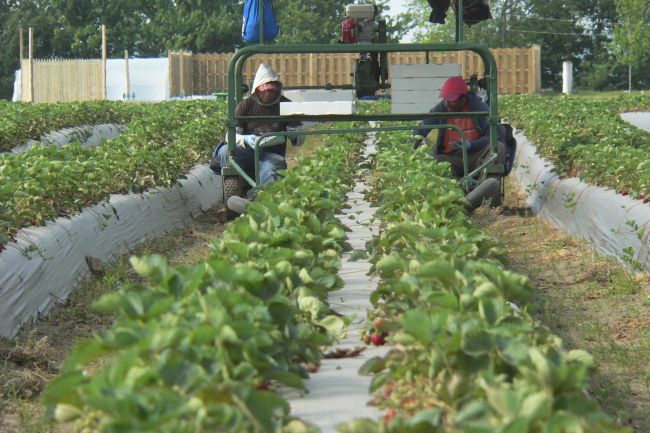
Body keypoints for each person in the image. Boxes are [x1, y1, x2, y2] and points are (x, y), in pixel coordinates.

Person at [212, 63, 302, 185]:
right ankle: (241, 186)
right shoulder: (245, 106)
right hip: (248, 151)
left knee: (269, 172)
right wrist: (246, 140)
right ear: (257, 89)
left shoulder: (287, 105)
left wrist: (294, 134)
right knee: (224, 151)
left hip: (272, 154)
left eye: (271, 90)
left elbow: (300, 139)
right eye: (264, 90)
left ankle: (263, 197)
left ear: (277, 89)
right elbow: (230, 136)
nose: (268, 94)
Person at [413, 75, 504, 178]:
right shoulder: (442, 108)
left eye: (451, 100)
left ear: (463, 99)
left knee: (499, 148)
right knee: (436, 162)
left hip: (476, 155)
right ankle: (455, 187)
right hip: (451, 157)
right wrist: (410, 146)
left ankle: (482, 183)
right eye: (445, 99)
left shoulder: (479, 108)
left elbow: (492, 136)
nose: (447, 103)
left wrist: (471, 145)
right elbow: (424, 126)